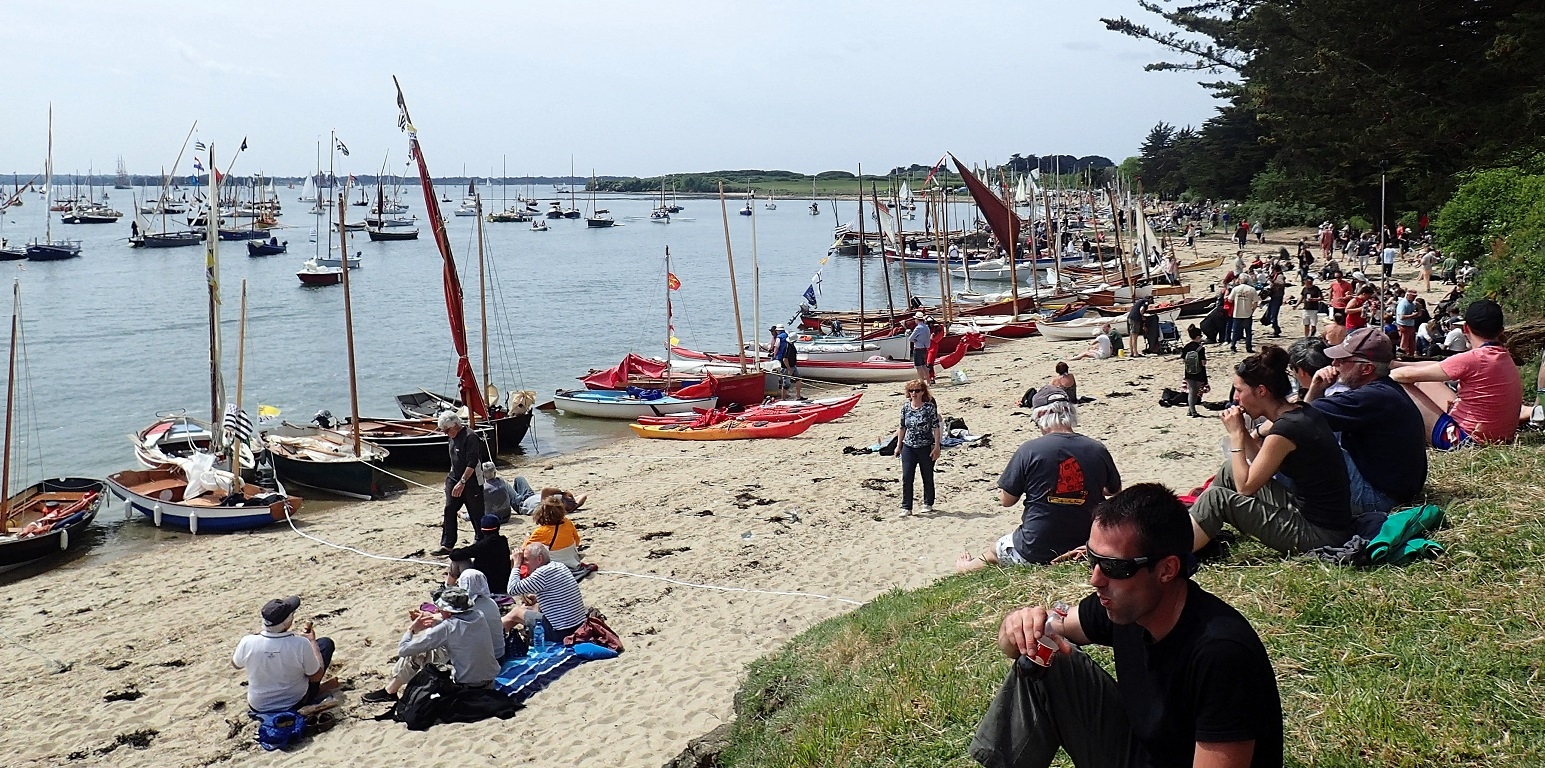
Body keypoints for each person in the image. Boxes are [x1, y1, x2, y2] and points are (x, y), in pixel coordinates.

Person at [969, 484, 1283, 768]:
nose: (1095, 579)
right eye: (1092, 559)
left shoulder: (1221, 653)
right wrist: (1017, 628)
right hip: (1140, 753)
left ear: (1167, 570)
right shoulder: (1125, 606)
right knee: (1047, 657)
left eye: (1114, 566)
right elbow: (1045, 632)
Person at [1190, 346, 1353, 555]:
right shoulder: (1299, 412)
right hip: (1315, 515)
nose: (1236, 398)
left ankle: (1175, 553)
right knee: (1230, 469)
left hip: (1321, 534)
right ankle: (1197, 529)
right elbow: (1260, 463)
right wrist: (1244, 432)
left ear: (1261, 391)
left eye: (1239, 390)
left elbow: (1246, 488)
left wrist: (1237, 435)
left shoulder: (1286, 429)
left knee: (1217, 499)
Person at [956, 387, 1120, 571]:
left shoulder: (1029, 450)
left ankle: (965, 567)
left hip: (1036, 548)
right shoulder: (1096, 448)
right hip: (1086, 543)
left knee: (995, 549)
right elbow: (1114, 490)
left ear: (1040, 417)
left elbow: (1006, 500)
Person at [1303, 329, 1428, 517]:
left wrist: (1259, 433)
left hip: (1377, 498)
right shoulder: (1384, 390)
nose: (1334, 364)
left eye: (1342, 360)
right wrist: (1316, 388)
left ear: (1366, 369)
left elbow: (1298, 420)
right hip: (1394, 490)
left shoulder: (1371, 397)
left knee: (1299, 447)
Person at [1391, 299, 1522, 447]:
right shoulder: (1503, 356)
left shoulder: (1473, 358)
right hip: (1498, 436)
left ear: (1465, 328)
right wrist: (1397, 364)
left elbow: (1403, 376)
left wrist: (1383, 371)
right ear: (1501, 330)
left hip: (1464, 440)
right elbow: (1437, 367)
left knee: (1402, 384)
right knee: (1426, 381)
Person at [232, 595, 334, 713]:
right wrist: (312, 641)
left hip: (258, 705)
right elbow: (316, 676)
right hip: (294, 702)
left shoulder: (247, 641)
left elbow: (236, 665)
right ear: (287, 623)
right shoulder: (300, 644)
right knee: (325, 644)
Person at [394, 586, 499, 688]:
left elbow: (403, 650)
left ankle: (392, 688)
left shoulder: (448, 627)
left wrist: (411, 630)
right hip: (490, 682)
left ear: (448, 611)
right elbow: (458, 623)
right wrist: (435, 620)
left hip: (466, 685)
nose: (439, 611)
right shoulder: (479, 616)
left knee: (421, 657)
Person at [503, 543, 590, 645]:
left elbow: (512, 589)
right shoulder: (560, 566)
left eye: (526, 559)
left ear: (539, 558)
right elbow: (558, 595)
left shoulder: (542, 573)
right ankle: (499, 632)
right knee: (526, 607)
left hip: (560, 632)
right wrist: (538, 599)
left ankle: (494, 636)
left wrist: (516, 565)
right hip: (578, 626)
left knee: (516, 612)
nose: (524, 563)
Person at [433, 410, 484, 556]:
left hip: (471, 481)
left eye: (447, 430)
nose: (446, 434)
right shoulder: (451, 437)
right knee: (449, 509)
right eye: (444, 431)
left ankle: (480, 540)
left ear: (455, 425)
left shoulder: (470, 437)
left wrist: (462, 482)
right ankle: (447, 544)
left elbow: (472, 463)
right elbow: (454, 459)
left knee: (476, 513)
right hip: (454, 478)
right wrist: (451, 479)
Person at [895, 380, 942, 517]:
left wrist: (937, 446)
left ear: (922, 392)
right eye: (911, 391)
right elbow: (902, 427)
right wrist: (898, 446)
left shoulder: (929, 408)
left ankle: (928, 503)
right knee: (907, 477)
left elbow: (936, 427)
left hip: (925, 446)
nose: (914, 393)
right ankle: (906, 507)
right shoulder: (905, 407)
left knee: (927, 476)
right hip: (908, 446)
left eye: (917, 390)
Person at [448, 514, 512, 598]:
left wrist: (454, 550)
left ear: (482, 529)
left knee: (458, 561)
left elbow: (455, 555)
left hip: (487, 585)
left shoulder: (483, 545)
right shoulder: (503, 541)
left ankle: (447, 588)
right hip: (503, 584)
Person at [524, 495, 590, 573]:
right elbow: (577, 541)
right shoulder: (567, 523)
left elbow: (525, 550)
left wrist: (527, 538)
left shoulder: (540, 532)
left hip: (555, 564)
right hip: (573, 560)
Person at [1181, 325, 1208, 418]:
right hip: (1199, 372)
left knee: (1191, 391)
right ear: (1198, 337)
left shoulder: (1186, 347)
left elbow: (1183, 360)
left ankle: (1190, 410)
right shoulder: (1200, 348)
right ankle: (1193, 412)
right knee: (1194, 392)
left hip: (1188, 372)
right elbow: (1203, 363)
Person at [771, 324, 803, 399]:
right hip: (787, 367)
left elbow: (776, 347)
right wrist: (789, 369)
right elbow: (785, 359)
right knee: (786, 384)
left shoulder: (790, 345)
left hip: (792, 365)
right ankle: (783, 399)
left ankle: (798, 396)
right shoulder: (788, 347)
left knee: (798, 379)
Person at [1227, 279, 1258, 353]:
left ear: (1240, 281)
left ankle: (1233, 346)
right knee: (1248, 332)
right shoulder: (1252, 289)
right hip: (1247, 313)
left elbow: (1230, 300)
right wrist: (1252, 310)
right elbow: (1255, 302)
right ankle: (1248, 347)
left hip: (1237, 313)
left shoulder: (1236, 289)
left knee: (1235, 331)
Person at [908, 312, 932, 382]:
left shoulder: (918, 328)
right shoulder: (926, 327)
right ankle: (928, 381)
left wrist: (915, 340)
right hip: (924, 348)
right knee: (924, 365)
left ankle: (922, 382)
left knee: (918, 367)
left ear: (917, 319)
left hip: (918, 348)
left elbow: (910, 338)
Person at [1394, 288, 1419, 356]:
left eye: (1415, 296)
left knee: (1411, 344)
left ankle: (1410, 355)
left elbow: (1418, 314)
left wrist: (1419, 307)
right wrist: (1412, 315)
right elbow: (1401, 317)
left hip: (1411, 325)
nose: (1414, 298)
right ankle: (1403, 355)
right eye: (1412, 296)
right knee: (1404, 344)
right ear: (1408, 295)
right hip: (1404, 326)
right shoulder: (1403, 304)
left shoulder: (1412, 304)